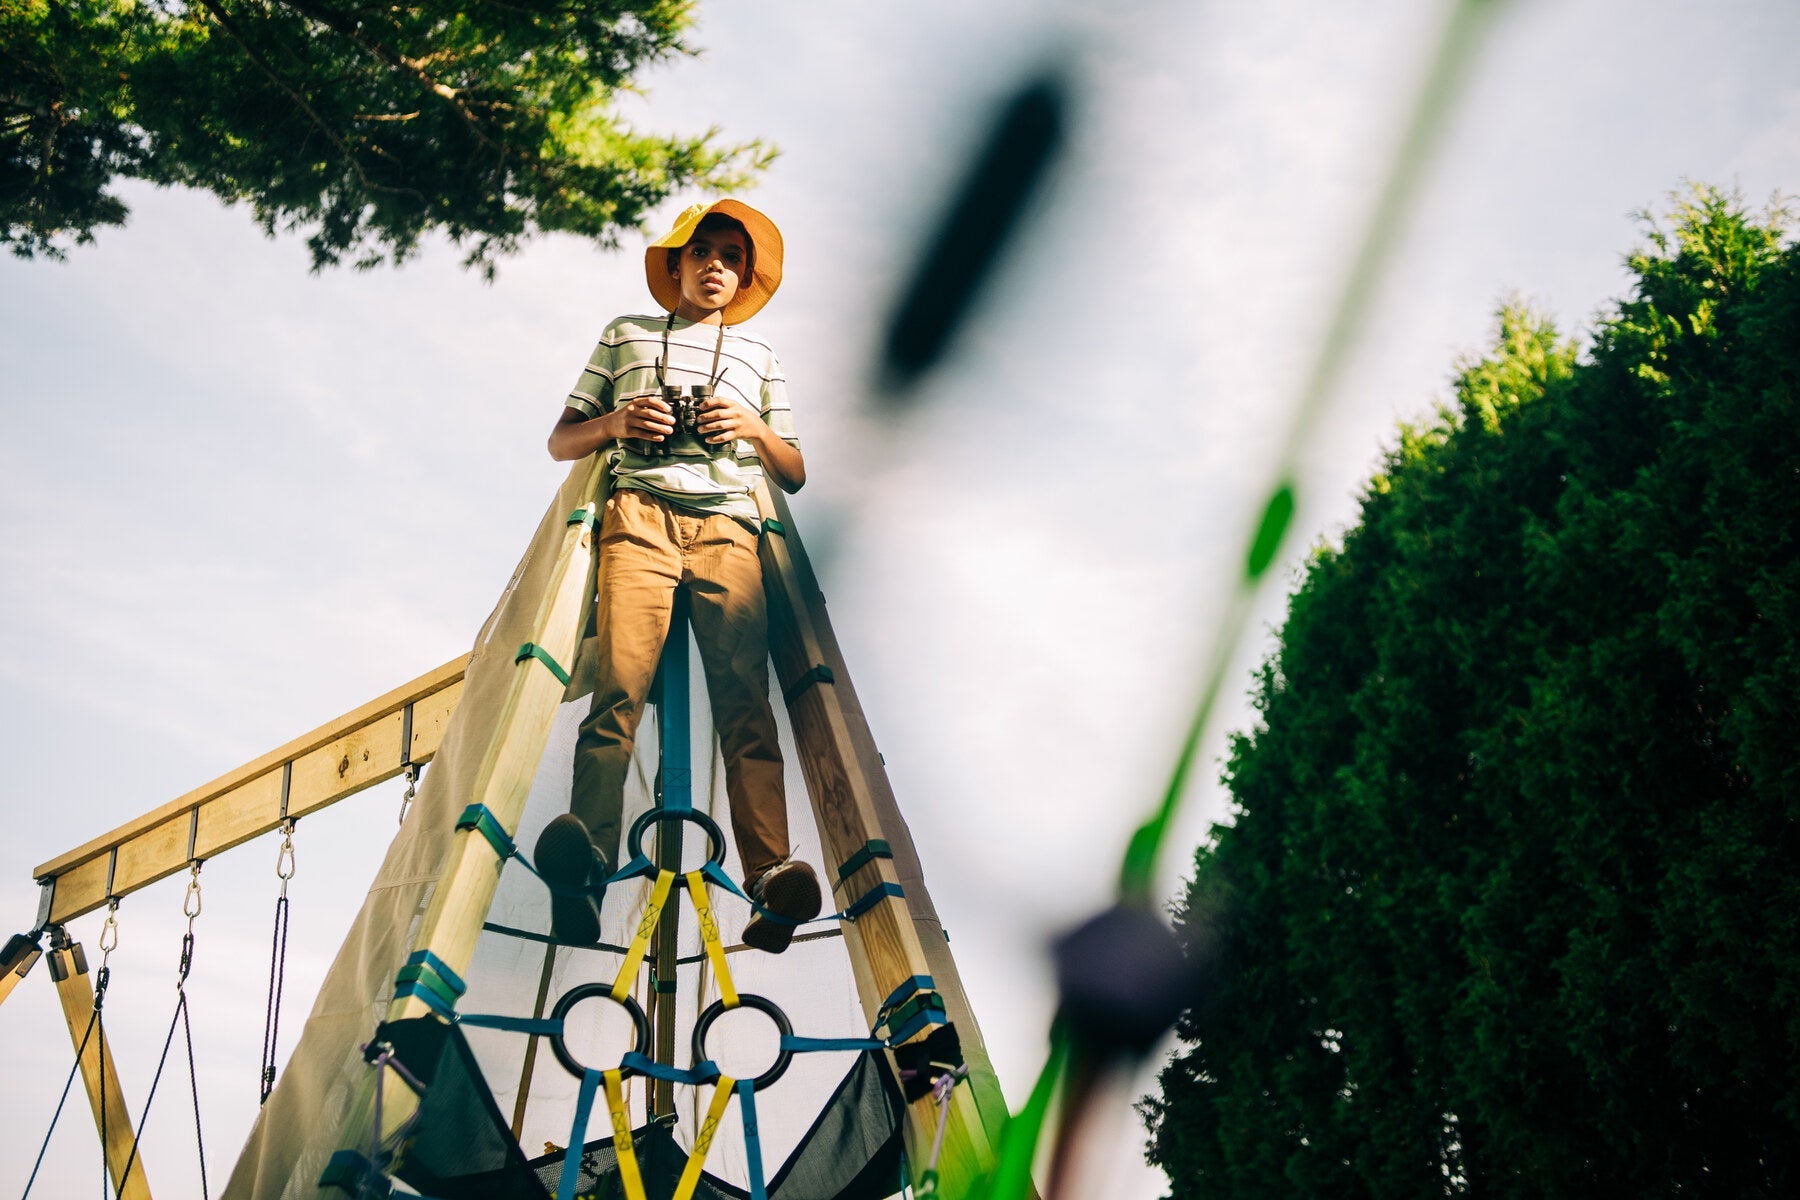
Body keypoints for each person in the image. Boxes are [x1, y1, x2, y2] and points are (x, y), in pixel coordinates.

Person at [539, 198, 820, 954]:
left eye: (733, 257)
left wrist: (752, 427)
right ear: (676, 264)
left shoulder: (759, 358)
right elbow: (562, 439)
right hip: (639, 519)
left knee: (746, 705)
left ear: (744, 275)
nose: (718, 266)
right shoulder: (626, 335)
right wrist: (619, 424)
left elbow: (792, 470)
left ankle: (769, 879)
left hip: (728, 531)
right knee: (618, 689)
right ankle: (589, 866)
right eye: (703, 252)